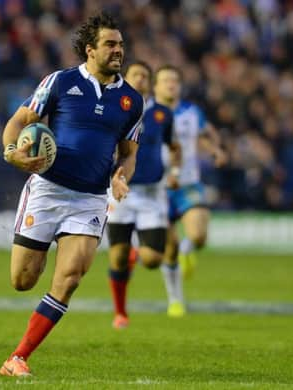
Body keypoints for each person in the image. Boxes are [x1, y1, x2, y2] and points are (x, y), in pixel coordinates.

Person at [0, 13, 143, 377]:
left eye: (121, 45)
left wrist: (121, 176)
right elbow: (18, 123)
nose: (118, 51)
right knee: (23, 280)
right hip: (46, 191)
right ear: (90, 49)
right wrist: (12, 151)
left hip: (90, 199)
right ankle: (43, 247)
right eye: (110, 44)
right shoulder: (60, 82)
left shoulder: (131, 100)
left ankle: (18, 358)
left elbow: (128, 152)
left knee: (71, 277)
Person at [106, 60, 180, 329]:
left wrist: (176, 173)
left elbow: (174, 147)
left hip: (152, 194)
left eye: (145, 76)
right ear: (125, 78)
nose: (140, 79)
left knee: (152, 260)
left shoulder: (162, 114)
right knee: (117, 257)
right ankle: (120, 313)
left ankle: (137, 252)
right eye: (135, 75)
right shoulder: (113, 108)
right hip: (121, 193)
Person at [153, 65, 228, 317]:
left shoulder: (191, 112)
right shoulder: (146, 112)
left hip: (187, 184)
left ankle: (189, 249)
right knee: (168, 247)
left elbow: (205, 134)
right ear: (156, 87)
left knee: (199, 236)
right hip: (158, 187)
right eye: (165, 81)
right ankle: (175, 300)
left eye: (174, 80)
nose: (171, 85)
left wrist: (215, 149)